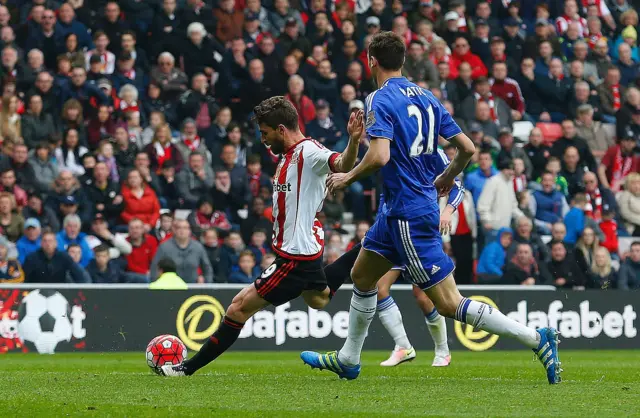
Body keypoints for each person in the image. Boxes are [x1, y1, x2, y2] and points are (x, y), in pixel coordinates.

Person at [300, 32, 561, 385]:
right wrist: (445, 177)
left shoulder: (378, 98)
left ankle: (536, 338)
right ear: (403, 60)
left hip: (407, 211)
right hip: (395, 211)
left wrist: (347, 176)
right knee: (362, 277)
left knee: (450, 303)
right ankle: (349, 358)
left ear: (371, 60)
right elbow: (466, 148)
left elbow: (379, 156)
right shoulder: (427, 97)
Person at [160, 96, 363, 376]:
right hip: (306, 249)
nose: (263, 140)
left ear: (281, 129)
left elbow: (341, 163)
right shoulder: (287, 157)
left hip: (295, 256)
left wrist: (353, 141)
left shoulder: (309, 153)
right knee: (318, 299)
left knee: (238, 308)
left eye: (266, 133)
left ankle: (185, 369)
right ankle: (367, 247)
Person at [150, 219, 214, 284]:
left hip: (193, 287)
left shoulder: (197, 247)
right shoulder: (164, 247)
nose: (182, 231)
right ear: (174, 230)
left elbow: (207, 268)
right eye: (179, 228)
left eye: (185, 228)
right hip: (171, 288)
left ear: (190, 230)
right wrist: (156, 286)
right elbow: (155, 267)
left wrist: (206, 282)